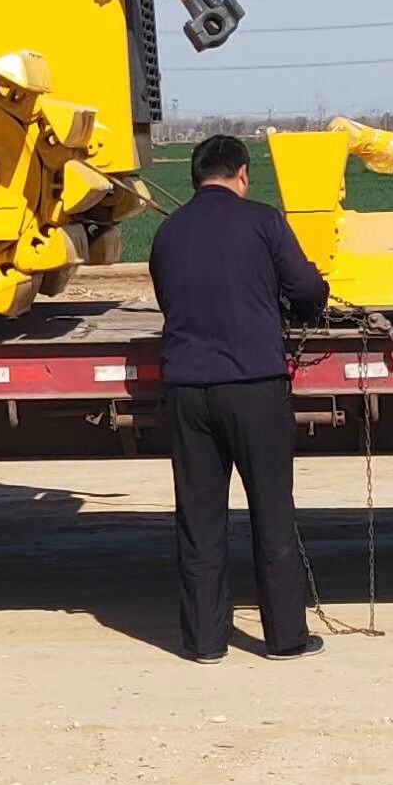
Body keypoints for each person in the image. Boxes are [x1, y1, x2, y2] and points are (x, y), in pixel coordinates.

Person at [144, 133, 331, 661]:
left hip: (186, 389)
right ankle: (286, 638)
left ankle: (205, 643)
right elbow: (307, 291)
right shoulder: (264, 221)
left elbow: (166, 298)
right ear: (242, 174)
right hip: (253, 386)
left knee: (200, 519)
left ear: (196, 178)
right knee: (271, 511)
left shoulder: (168, 232)